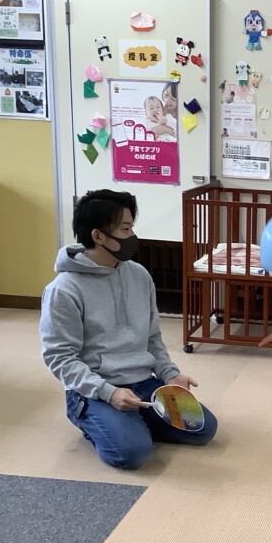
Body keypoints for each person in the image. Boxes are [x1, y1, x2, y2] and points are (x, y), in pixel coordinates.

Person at [40, 190, 218, 469]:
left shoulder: (138, 274)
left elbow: (152, 336)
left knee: (204, 429)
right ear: (98, 236)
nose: (132, 235)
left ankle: (131, 420)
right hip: (95, 389)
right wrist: (108, 393)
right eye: (125, 229)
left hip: (143, 382)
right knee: (130, 453)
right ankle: (92, 418)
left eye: (131, 227)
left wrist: (169, 374)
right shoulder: (63, 290)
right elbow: (59, 358)